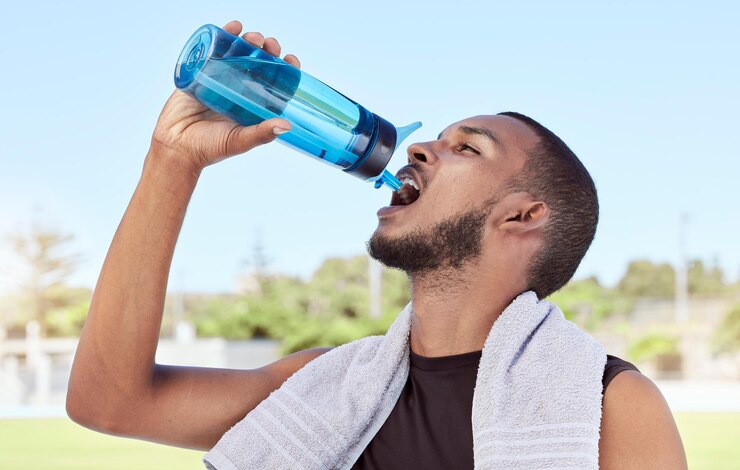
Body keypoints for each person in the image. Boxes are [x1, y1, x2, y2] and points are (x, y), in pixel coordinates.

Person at [66, 20, 688, 469]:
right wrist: (171, 160)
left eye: (467, 148)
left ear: (521, 216)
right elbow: (110, 402)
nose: (419, 149)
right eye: (435, 139)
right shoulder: (325, 387)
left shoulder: (612, 408)